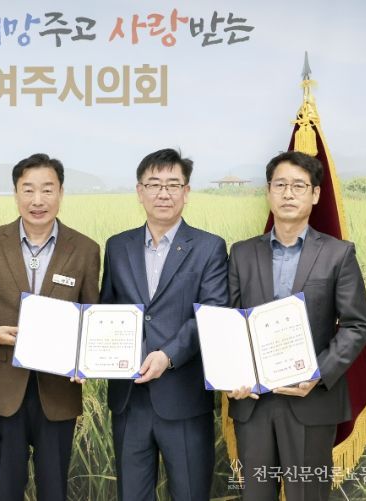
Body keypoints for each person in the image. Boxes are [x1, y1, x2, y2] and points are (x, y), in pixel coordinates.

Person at [227, 151, 366, 501]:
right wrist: (232, 374)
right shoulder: (242, 253)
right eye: (280, 185)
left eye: (298, 186)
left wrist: (317, 373)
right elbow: (229, 322)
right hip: (253, 402)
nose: (288, 194)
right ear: (268, 191)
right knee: (255, 494)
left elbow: (356, 325)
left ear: (316, 194)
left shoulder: (338, 253)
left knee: (307, 494)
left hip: (312, 400)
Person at [0, 153, 100, 501]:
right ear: (16, 194)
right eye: (28, 190)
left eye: (47, 189)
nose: (37, 200)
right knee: (5, 488)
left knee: (54, 488)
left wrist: (85, 357)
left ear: (61, 193)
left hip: (58, 390)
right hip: (2, 387)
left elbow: (92, 317)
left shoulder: (85, 249)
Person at [100, 148, 228, 500]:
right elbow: (107, 310)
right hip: (129, 398)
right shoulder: (117, 246)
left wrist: (168, 355)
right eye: (154, 184)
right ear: (139, 191)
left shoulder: (209, 247)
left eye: (173, 185)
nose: (163, 193)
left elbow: (211, 313)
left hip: (183, 397)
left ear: (186, 192)